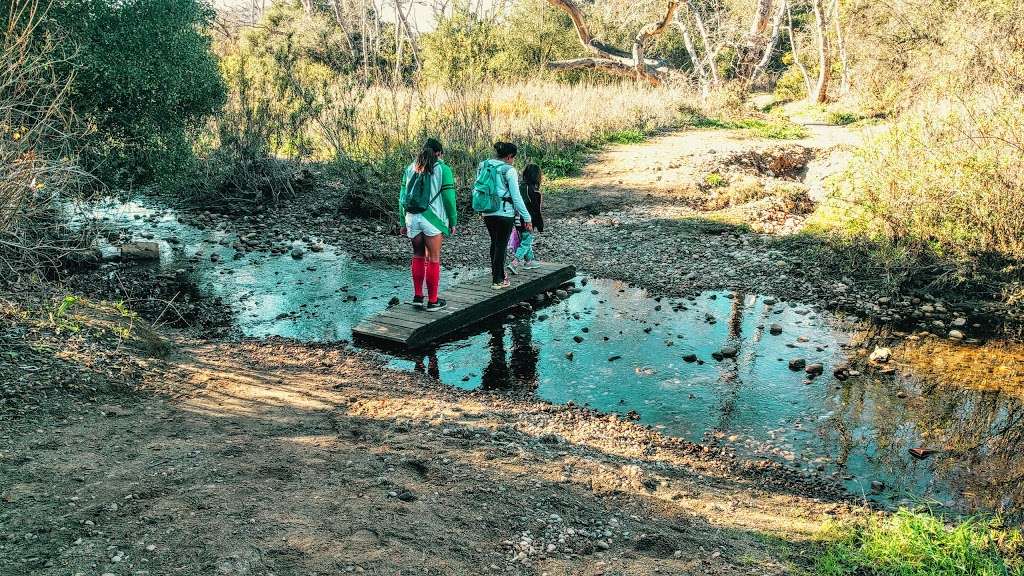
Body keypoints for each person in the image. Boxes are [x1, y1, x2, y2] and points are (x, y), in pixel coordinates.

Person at [398, 138, 457, 311]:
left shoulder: (410, 168)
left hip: (412, 217)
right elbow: (448, 199)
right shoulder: (443, 169)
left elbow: (402, 198)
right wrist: (452, 221)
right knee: (433, 258)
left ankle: (418, 296)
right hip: (432, 220)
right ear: (439, 153)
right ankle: (432, 301)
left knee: (417, 255)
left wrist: (403, 221)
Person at [478, 142, 532, 289]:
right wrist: (527, 217)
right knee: (501, 245)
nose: (512, 161)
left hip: (487, 211)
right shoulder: (509, 170)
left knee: (494, 243)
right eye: (512, 158)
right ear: (509, 156)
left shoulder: (483, 165)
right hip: (504, 212)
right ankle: (498, 280)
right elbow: (516, 197)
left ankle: (498, 274)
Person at [506, 163, 544, 274]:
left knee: (525, 240)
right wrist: (540, 225)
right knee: (526, 242)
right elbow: (537, 211)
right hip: (528, 221)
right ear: (537, 176)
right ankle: (515, 262)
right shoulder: (535, 192)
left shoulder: (518, 187)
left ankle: (529, 261)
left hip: (517, 220)